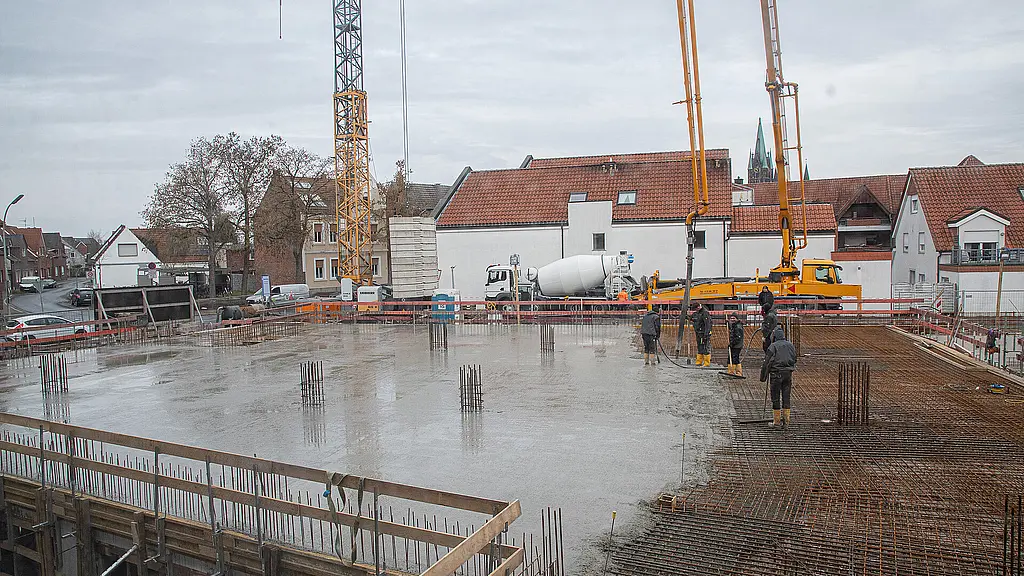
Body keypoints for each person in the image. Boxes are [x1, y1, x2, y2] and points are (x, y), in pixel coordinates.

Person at [760, 326, 797, 428]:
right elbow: (795, 358)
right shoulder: (790, 345)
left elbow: (767, 362)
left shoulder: (773, 346)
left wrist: (763, 377)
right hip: (788, 374)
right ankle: (786, 421)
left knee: (775, 398)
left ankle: (776, 422)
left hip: (776, 374)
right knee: (786, 397)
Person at [689, 302, 712, 367]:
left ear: (699, 307)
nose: (695, 310)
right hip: (698, 332)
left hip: (704, 333)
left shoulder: (705, 313)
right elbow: (693, 319)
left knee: (705, 347)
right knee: (699, 346)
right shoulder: (696, 313)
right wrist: (687, 317)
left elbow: (708, 324)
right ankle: (699, 361)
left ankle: (706, 363)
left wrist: (706, 333)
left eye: (696, 309)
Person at [727, 312, 744, 376]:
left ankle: (737, 372)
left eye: (733, 318)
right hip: (733, 345)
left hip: (737, 346)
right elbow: (731, 329)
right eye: (731, 318)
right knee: (731, 357)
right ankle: (731, 371)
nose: (732, 319)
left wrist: (732, 344)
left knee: (735, 358)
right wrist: (728, 323)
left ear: (737, 319)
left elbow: (738, 338)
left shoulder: (738, 327)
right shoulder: (734, 325)